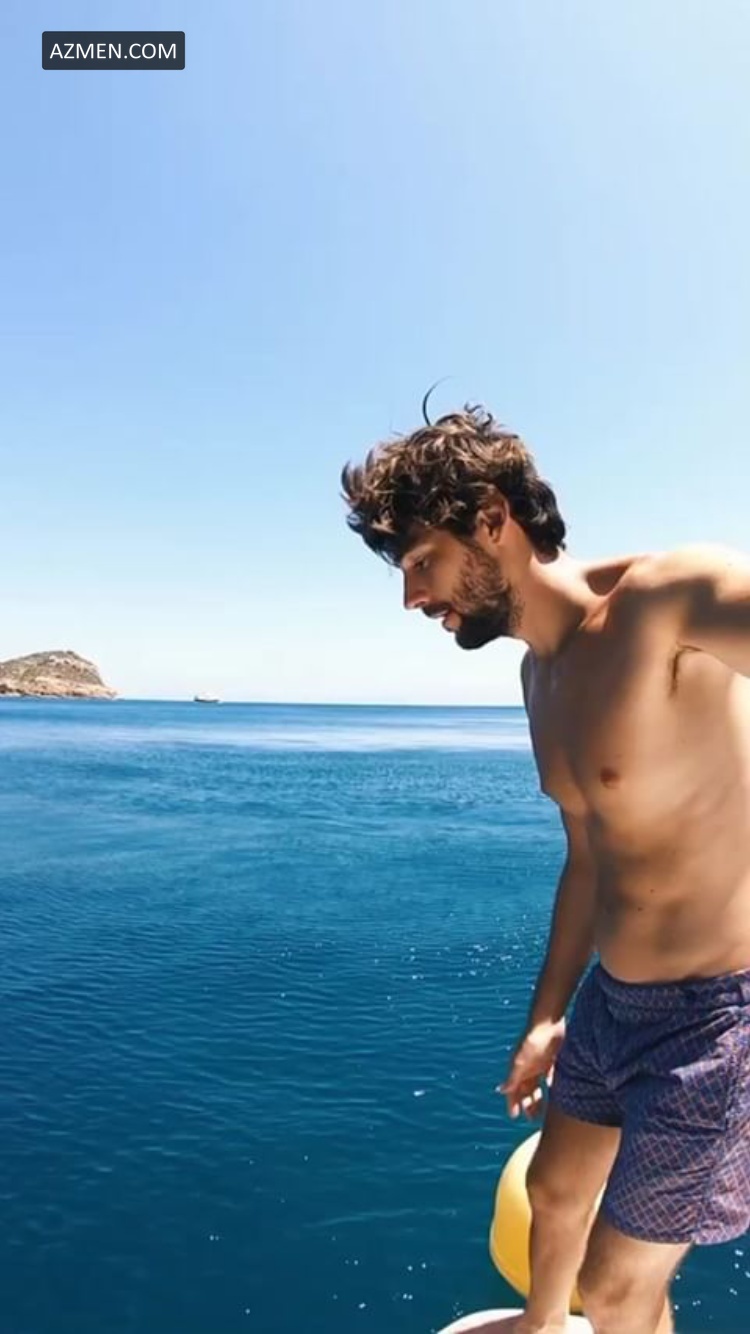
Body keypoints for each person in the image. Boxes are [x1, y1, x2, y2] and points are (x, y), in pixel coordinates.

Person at [340, 403, 750, 1334]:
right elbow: (586, 861)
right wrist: (547, 1015)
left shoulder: (666, 603)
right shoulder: (539, 676)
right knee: (554, 1202)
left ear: (492, 517)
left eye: (421, 562)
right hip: (613, 1004)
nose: (411, 598)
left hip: (718, 1022)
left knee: (617, 1289)